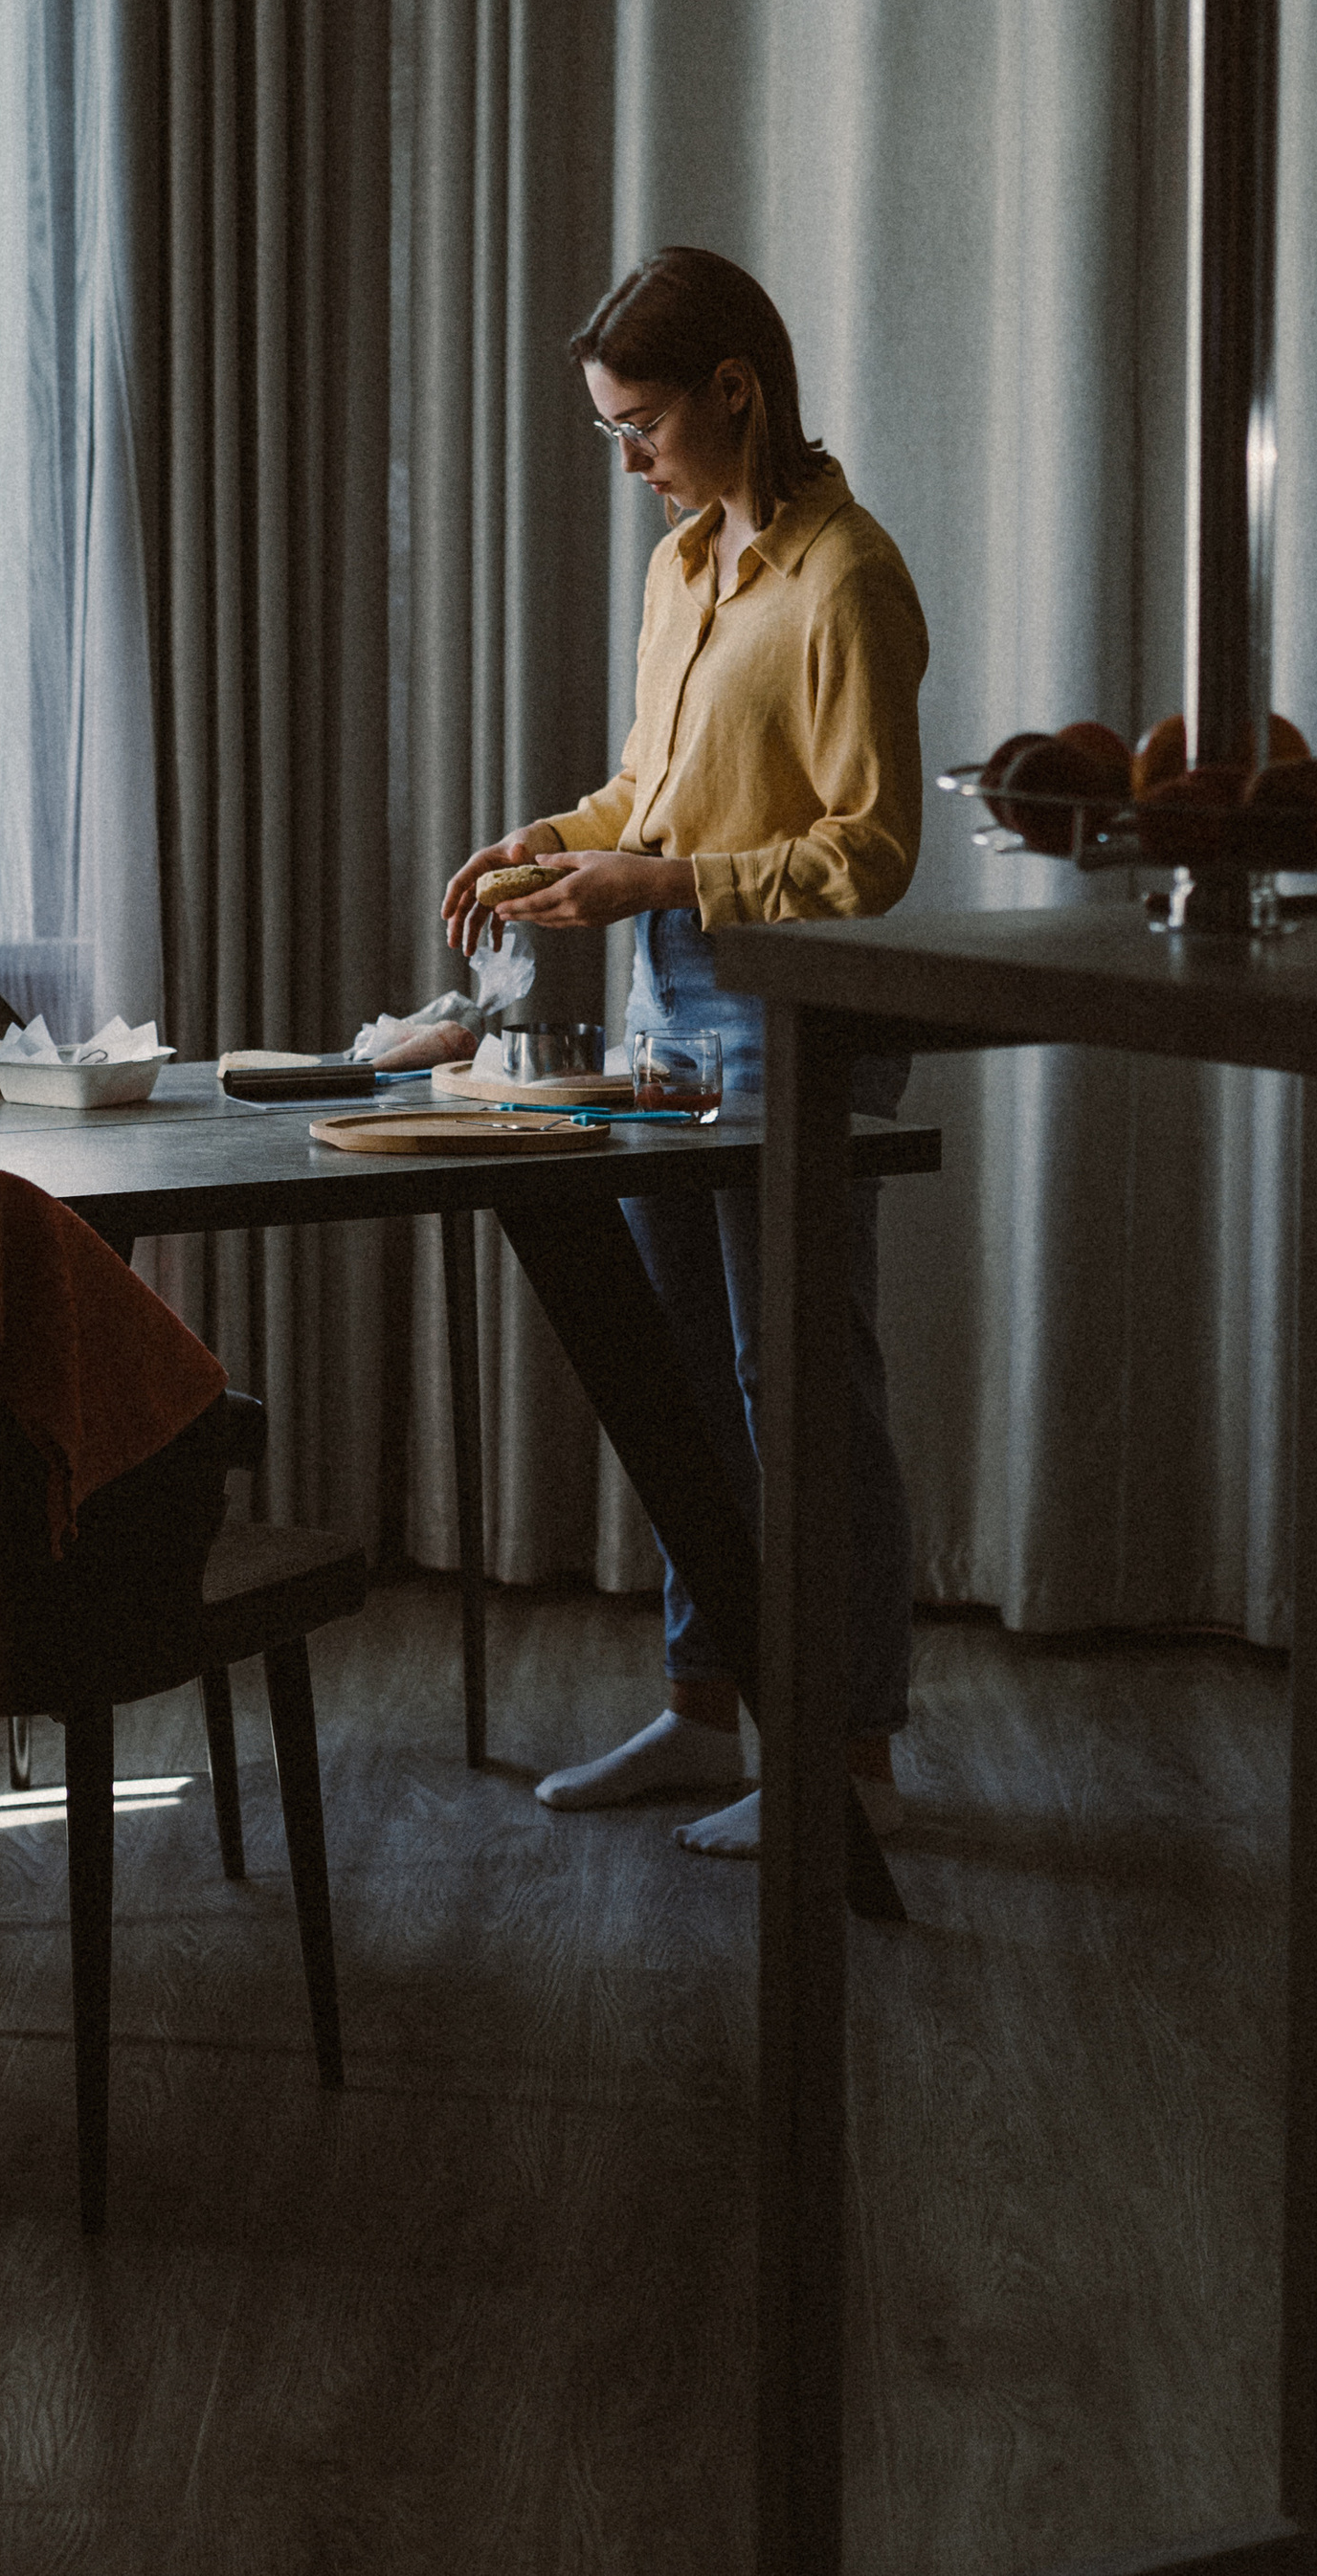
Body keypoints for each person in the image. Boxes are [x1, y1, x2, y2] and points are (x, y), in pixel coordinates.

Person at [440, 248, 928, 1855]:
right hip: (669, 997)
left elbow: (870, 855)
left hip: (787, 1005)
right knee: (681, 1380)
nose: (628, 458)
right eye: (607, 432)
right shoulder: (680, 568)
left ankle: (842, 1758)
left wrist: (660, 879)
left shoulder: (847, 576)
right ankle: (707, 1709)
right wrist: (547, 842)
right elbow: (651, 796)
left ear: (737, 388)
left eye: (638, 422)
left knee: (798, 1384)